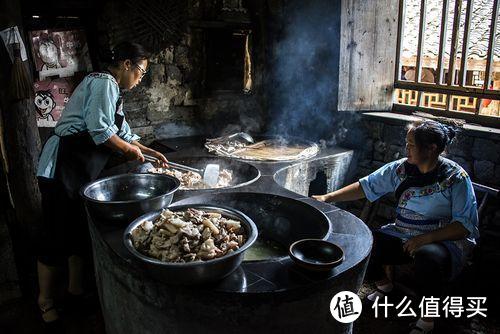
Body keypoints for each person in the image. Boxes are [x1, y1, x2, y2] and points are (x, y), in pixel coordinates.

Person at [36, 41, 167, 327]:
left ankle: (75, 292)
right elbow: (100, 132)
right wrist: (130, 152)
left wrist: (151, 151)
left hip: (80, 171)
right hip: (62, 167)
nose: (141, 79)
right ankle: (45, 301)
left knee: (78, 233)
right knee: (54, 236)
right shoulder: (103, 82)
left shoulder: (114, 93)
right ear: (125, 65)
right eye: (141, 72)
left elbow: (124, 133)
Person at [313, 120, 478, 334]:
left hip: (443, 240)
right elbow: (366, 185)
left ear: (431, 148)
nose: (406, 149)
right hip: (402, 232)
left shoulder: (455, 178)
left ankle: (427, 320)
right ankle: (385, 286)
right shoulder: (400, 169)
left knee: (429, 259)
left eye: (411, 144)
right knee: (364, 243)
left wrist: (424, 239)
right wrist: (328, 197)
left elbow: (465, 225)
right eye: (406, 143)